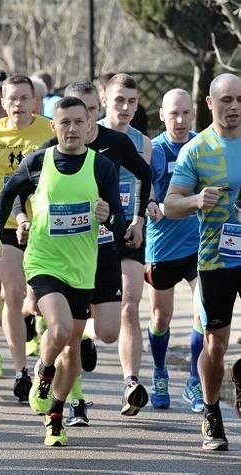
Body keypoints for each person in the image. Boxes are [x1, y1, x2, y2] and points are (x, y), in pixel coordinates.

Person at [0, 96, 121, 446]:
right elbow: (6, 194)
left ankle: (56, 414)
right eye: (66, 122)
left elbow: (119, 219)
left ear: (89, 126)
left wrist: (110, 217)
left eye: (79, 122)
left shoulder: (102, 167)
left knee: (72, 346)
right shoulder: (38, 162)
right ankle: (43, 373)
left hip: (82, 267)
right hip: (44, 261)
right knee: (59, 328)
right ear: (54, 126)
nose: (73, 129)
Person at [34, 80, 152, 426]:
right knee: (67, 334)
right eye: (72, 116)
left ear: (95, 114)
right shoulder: (50, 149)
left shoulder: (116, 143)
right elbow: (26, 188)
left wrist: (137, 219)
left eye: (87, 114)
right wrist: (26, 221)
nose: (79, 123)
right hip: (65, 253)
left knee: (109, 332)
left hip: (104, 246)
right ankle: (67, 403)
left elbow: (145, 174)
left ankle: (81, 335)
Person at [165, 72, 241, 452]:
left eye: (240, 99)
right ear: (210, 104)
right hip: (216, 259)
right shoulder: (196, 149)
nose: (234, 107)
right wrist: (196, 200)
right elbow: (170, 203)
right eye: (226, 100)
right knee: (216, 344)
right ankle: (211, 412)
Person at [0, 74, 52, 399]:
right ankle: (20, 370)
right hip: (4, 225)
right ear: (1, 102)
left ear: (35, 101)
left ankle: (47, 360)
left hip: (46, 225)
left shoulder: (49, 129)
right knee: (14, 292)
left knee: (41, 298)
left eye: (24, 98)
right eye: (12, 99)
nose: (18, 104)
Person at [145, 89, 203, 412]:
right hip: (162, 247)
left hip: (197, 245)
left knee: (203, 313)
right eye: (173, 114)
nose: (180, 121)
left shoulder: (201, 146)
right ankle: (159, 371)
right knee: (160, 317)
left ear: (193, 113)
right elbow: (145, 194)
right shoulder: (153, 152)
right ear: (162, 116)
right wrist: (152, 204)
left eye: (185, 113)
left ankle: (194, 380)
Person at [99, 74, 153, 416]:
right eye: (119, 100)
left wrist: (140, 218)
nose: (125, 107)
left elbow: (143, 183)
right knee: (95, 313)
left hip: (128, 229)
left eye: (132, 101)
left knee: (130, 304)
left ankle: (131, 382)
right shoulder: (91, 133)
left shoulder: (141, 142)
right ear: (105, 98)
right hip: (91, 231)